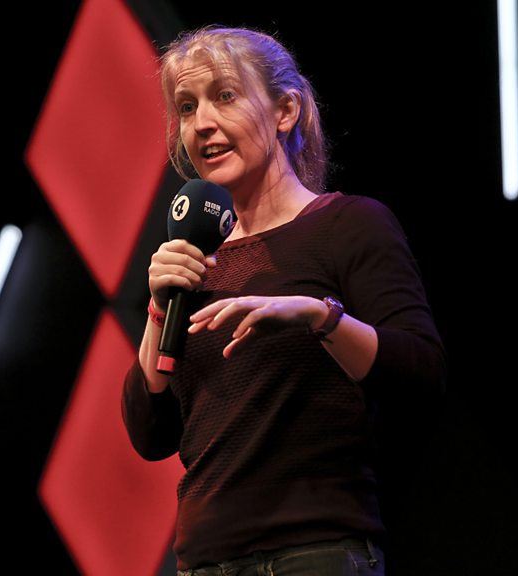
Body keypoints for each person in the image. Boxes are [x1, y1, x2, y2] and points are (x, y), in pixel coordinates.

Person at [121, 25, 446, 575]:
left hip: (315, 550)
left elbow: (421, 374)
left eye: (225, 95)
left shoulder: (347, 225)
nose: (201, 123)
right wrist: (159, 310)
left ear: (285, 111)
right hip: (207, 559)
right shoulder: (198, 257)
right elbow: (151, 435)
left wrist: (320, 317)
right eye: (186, 106)